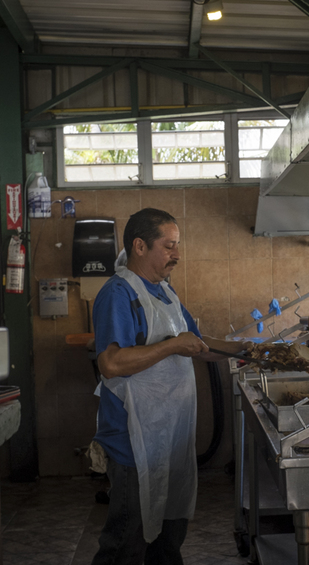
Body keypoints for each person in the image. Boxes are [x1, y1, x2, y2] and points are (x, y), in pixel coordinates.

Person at [91, 207, 251, 565]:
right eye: (169, 246)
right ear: (140, 246)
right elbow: (111, 364)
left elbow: (195, 342)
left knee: (169, 537)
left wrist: (245, 348)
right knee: (127, 542)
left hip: (171, 435)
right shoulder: (118, 293)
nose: (177, 254)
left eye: (177, 245)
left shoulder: (165, 291)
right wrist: (172, 346)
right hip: (133, 440)